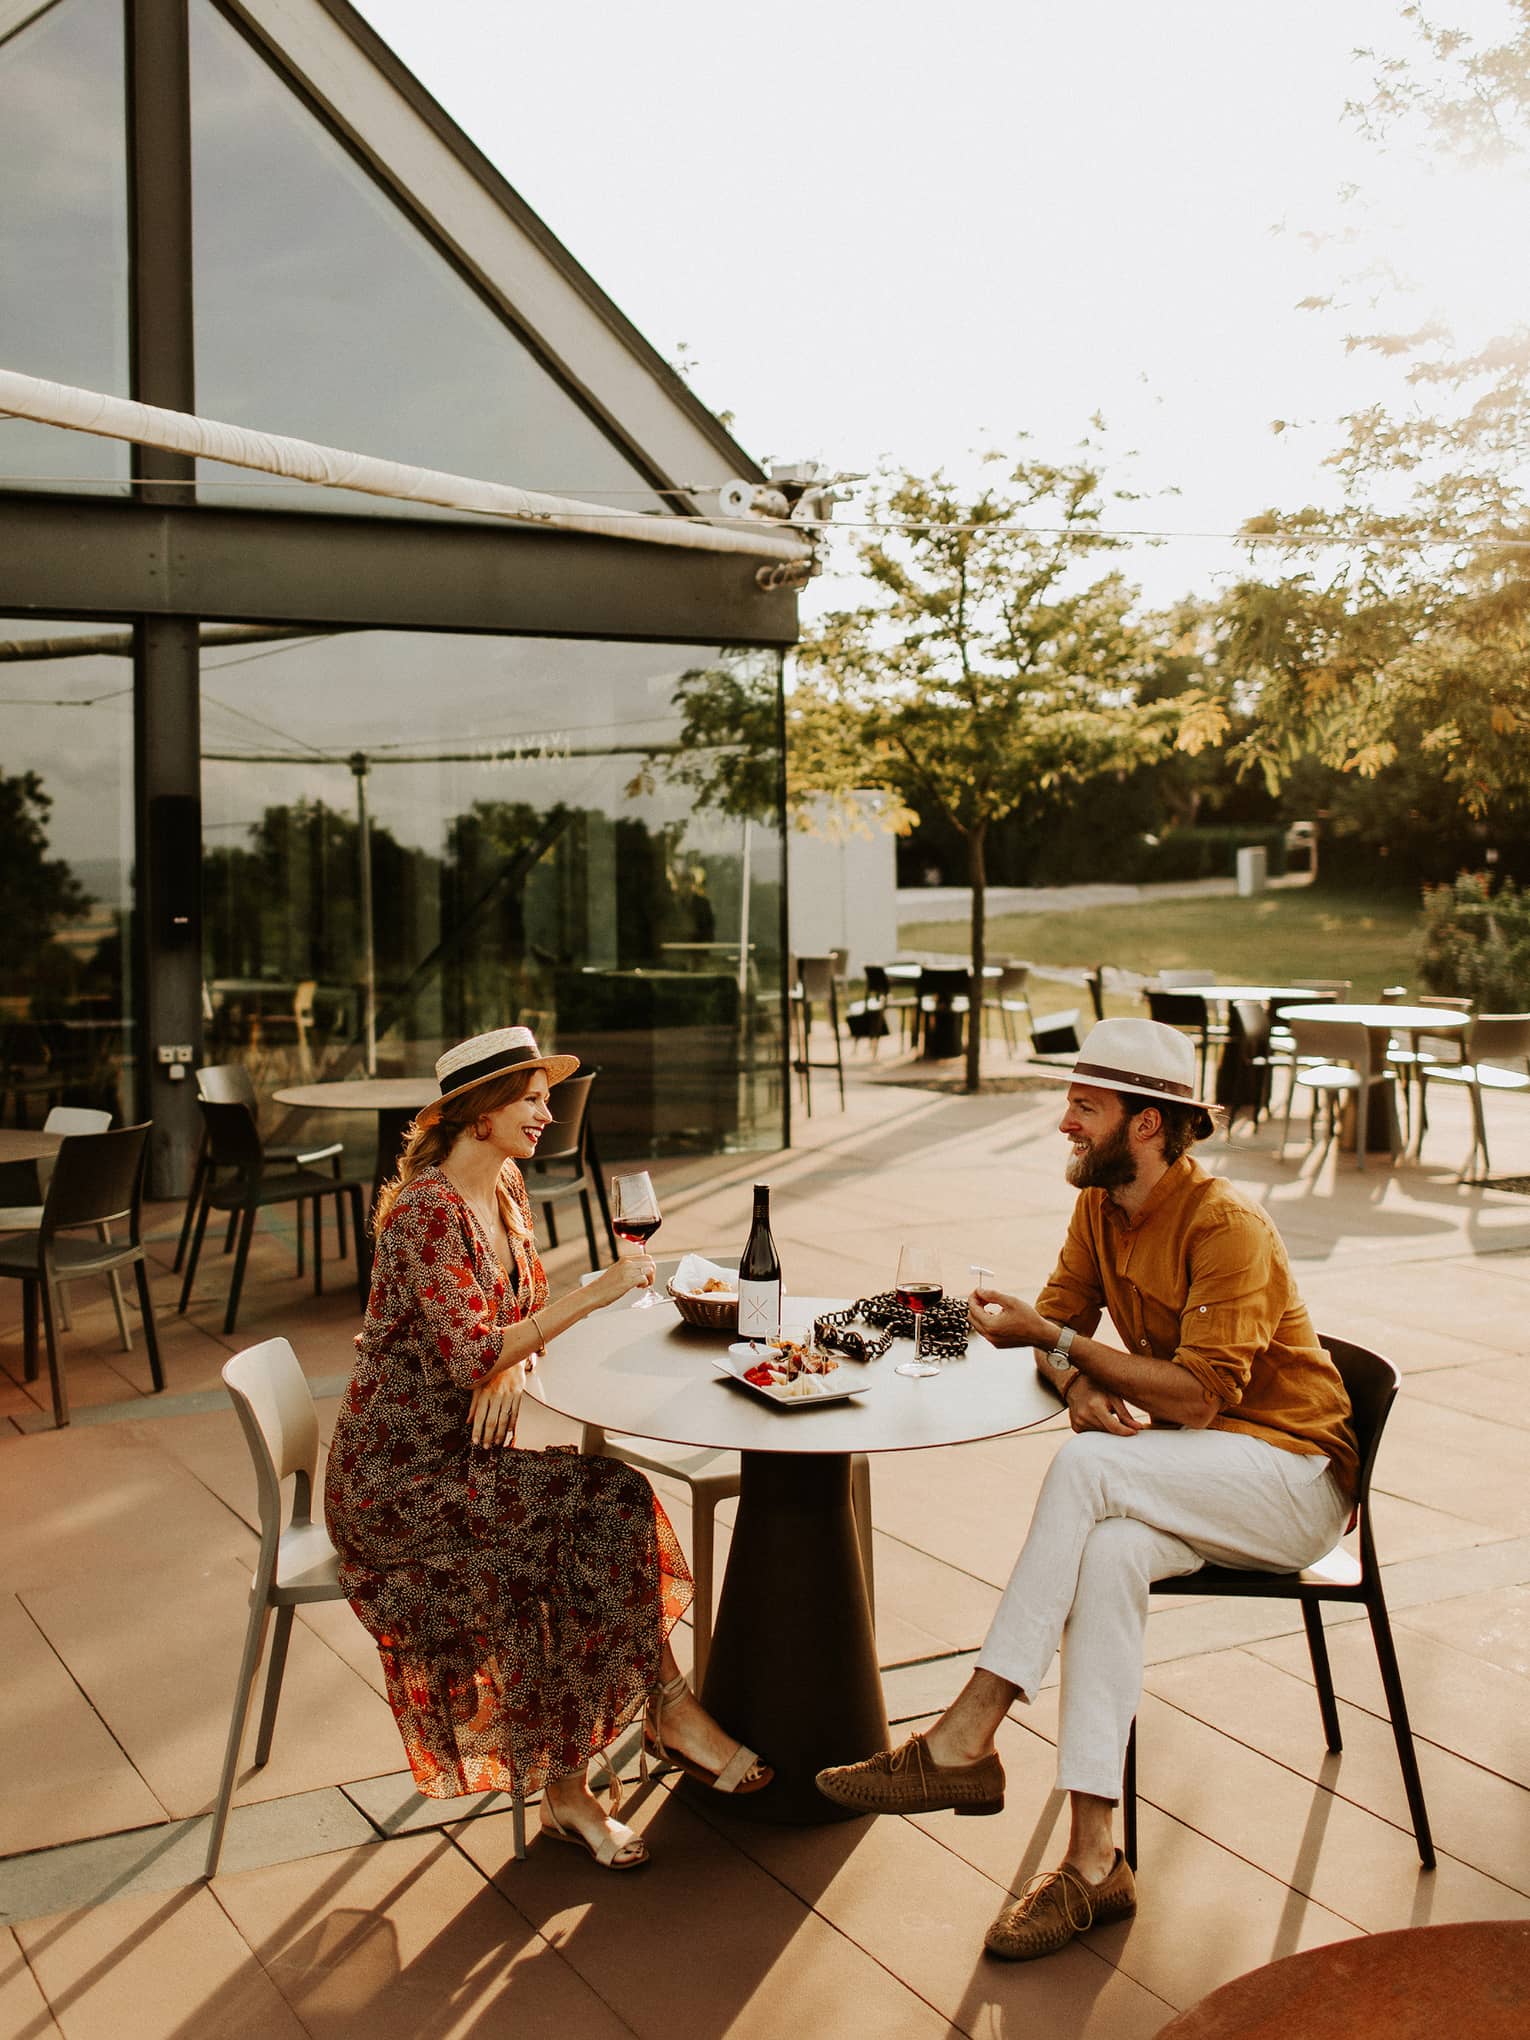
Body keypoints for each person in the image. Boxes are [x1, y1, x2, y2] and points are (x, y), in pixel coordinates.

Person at [816, 1017, 1357, 1960]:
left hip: (1290, 1482)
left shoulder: (1228, 1224)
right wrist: (1076, 1377)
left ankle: (968, 1732)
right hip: (1207, 1472)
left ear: (1148, 1124)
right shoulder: (1099, 1206)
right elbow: (1055, 1328)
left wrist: (1063, 1351)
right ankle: (1095, 1862)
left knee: (1087, 1466)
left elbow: (1194, 1395)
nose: (1064, 1121)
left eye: (1084, 1105)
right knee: (1106, 1553)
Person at [324, 1025, 770, 1873]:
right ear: (479, 1112)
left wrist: (514, 1366)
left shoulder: (508, 1190)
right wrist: (596, 1293)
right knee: (598, 1507)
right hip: (393, 1482)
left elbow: (503, 1330)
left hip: (462, 1463)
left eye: (545, 1094)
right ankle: (657, 1718)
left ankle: (583, 1782)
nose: (547, 1110)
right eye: (530, 1097)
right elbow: (469, 1348)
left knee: (586, 1514)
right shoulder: (427, 1212)